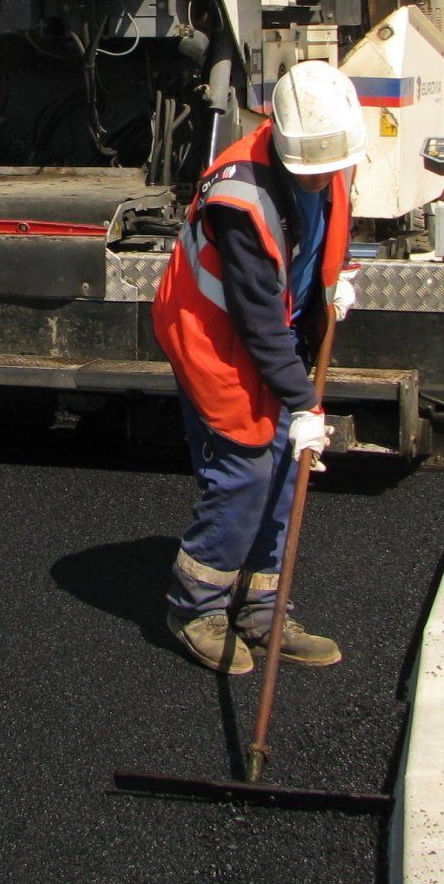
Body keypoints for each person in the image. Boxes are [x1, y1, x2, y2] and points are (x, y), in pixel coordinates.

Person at [149, 61, 363, 675]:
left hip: (272, 326)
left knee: (287, 471)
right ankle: (196, 609)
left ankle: (261, 612)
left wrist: (334, 285)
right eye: (314, 169)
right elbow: (256, 321)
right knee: (247, 467)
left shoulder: (326, 160)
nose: (324, 179)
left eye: (332, 167)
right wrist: (302, 403)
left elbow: (315, 242)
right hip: (212, 335)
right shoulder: (240, 198)